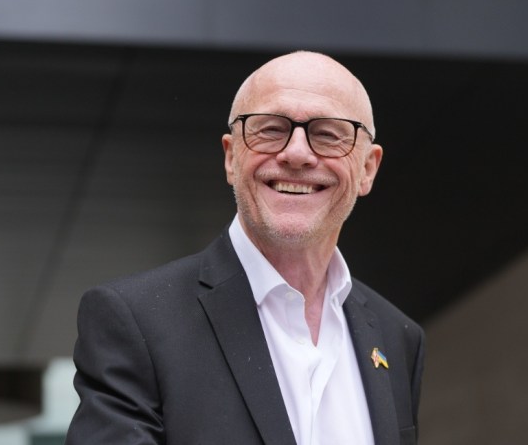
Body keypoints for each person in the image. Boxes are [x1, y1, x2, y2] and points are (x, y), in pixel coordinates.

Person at [66, 51, 425, 445]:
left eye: (328, 134)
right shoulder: (135, 322)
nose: (297, 153)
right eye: (270, 129)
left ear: (368, 169)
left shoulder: (397, 337)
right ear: (232, 157)